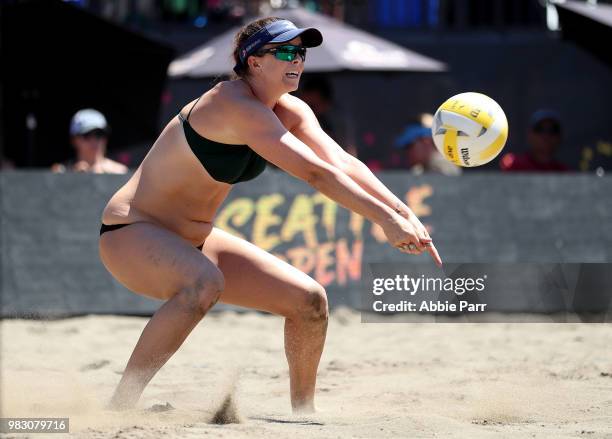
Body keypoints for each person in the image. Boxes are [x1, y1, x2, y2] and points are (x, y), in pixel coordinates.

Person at [98, 17, 442, 414]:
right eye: (284, 51)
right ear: (253, 62)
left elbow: (343, 162)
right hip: (131, 232)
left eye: (300, 52)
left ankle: (303, 414)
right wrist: (383, 219)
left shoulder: (290, 109)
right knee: (203, 282)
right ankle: (120, 405)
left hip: (193, 239)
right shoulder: (231, 102)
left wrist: (402, 211)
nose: (296, 59)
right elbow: (315, 173)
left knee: (310, 301)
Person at [297, 75, 358, 157]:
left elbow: (348, 154)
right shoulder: (295, 121)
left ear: (326, 103)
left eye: (312, 106)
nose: (305, 110)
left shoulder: (338, 123)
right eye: (303, 105)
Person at [51, 109, 128, 174]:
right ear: (74, 140)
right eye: (87, 135)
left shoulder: (121, 172)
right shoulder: (62, 172)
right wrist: (71, 178)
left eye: (99, 134)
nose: (94, 140)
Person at [500, 109, 569, 172]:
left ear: (560, 137)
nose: (546, 136)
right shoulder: (514, 164)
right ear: (529, 135)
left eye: (553, 130)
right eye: (539, 129)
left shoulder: (563, 172)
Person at [393, 123, 462, 175]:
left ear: (426, 141)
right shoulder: (418, 170)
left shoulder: (445, 166)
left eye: (409, 146)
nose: (408, 153)